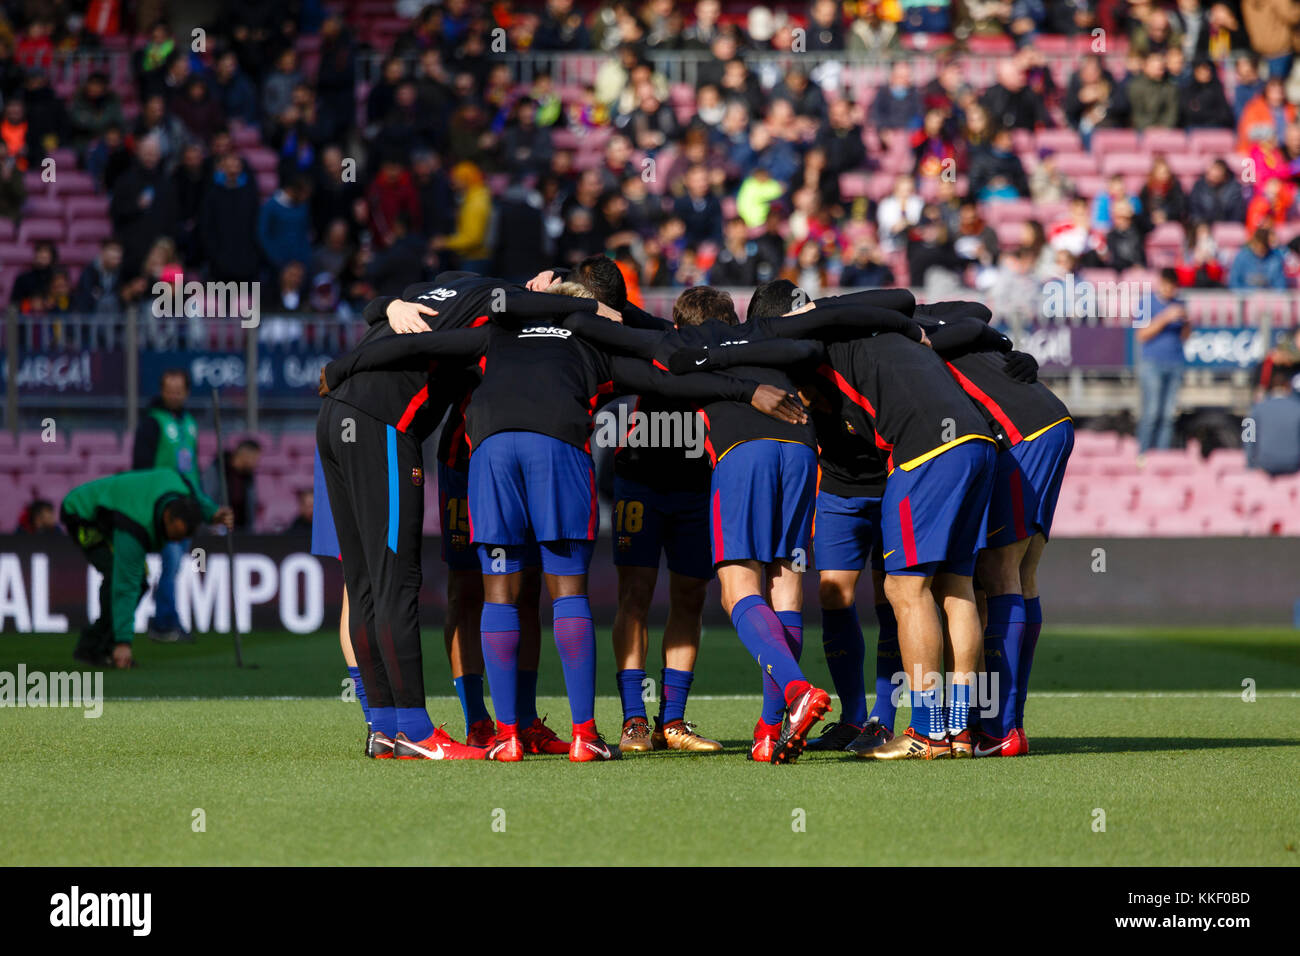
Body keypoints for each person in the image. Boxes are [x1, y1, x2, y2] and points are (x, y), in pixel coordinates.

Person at [325, 281, 807, 763]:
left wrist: (341, 366)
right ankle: (584, 735)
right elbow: (670, 376)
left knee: (495, 590)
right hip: (555, 446)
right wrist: (746, 391)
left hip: (489, 452)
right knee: (567, 591)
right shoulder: (593, 344)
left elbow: (414, 343)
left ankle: (506, 735)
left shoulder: (495, 331)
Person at [61, 469, 231, 669]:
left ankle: (95, 644)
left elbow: (196, 495)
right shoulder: (135, 526)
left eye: (183, 537)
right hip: (83, 515)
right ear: (167, 517)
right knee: (121, 577)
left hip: (121, 506)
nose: (177, 541)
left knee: (138, 581)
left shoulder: (182, 487)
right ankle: (99, 646)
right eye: (175, 534)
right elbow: (125, 586)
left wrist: (213, 513)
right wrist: (124, 642)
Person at [132, 369, 201, 643]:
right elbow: (141, 466)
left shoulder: (191, 423)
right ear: (162, 391)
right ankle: (166, 621)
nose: (174, 394)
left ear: (186, 392)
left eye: (179, 389)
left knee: (174, 567)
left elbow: (192, 466)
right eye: (169, 389)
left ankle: (162, 620)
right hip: (165, 509)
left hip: (187, 507)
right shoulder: (152, 423)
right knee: (171, 561)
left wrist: (201, 504)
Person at [1136, 269, 1192, 454]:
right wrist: (1165, 317)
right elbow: (1142, 334)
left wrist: (1187, 323)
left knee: (1168, 416)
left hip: (1175, 363)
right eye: (1167, 285)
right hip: (1152, 363)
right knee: (1151, 413)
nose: (1170, 290)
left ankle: (1162, 457)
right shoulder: (1147, 302)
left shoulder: (1180, 304)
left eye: (1173, 286)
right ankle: (1142, 456)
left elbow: (1185, 337)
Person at [1246, 368, 1300, 476]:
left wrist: (1250, 464)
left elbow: (1247, 437)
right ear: (1288, 386)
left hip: (1265, 463)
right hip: (1293, 463)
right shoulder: (1297, 408)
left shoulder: (1256, 409)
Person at [202, 438, 262, 532]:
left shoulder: (248, 477)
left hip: (241, 530)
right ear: (245, 455)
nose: (256, 463)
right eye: (255, 458)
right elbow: (207, 497)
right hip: (218, 529)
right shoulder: (218, 469)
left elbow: (250, 506)